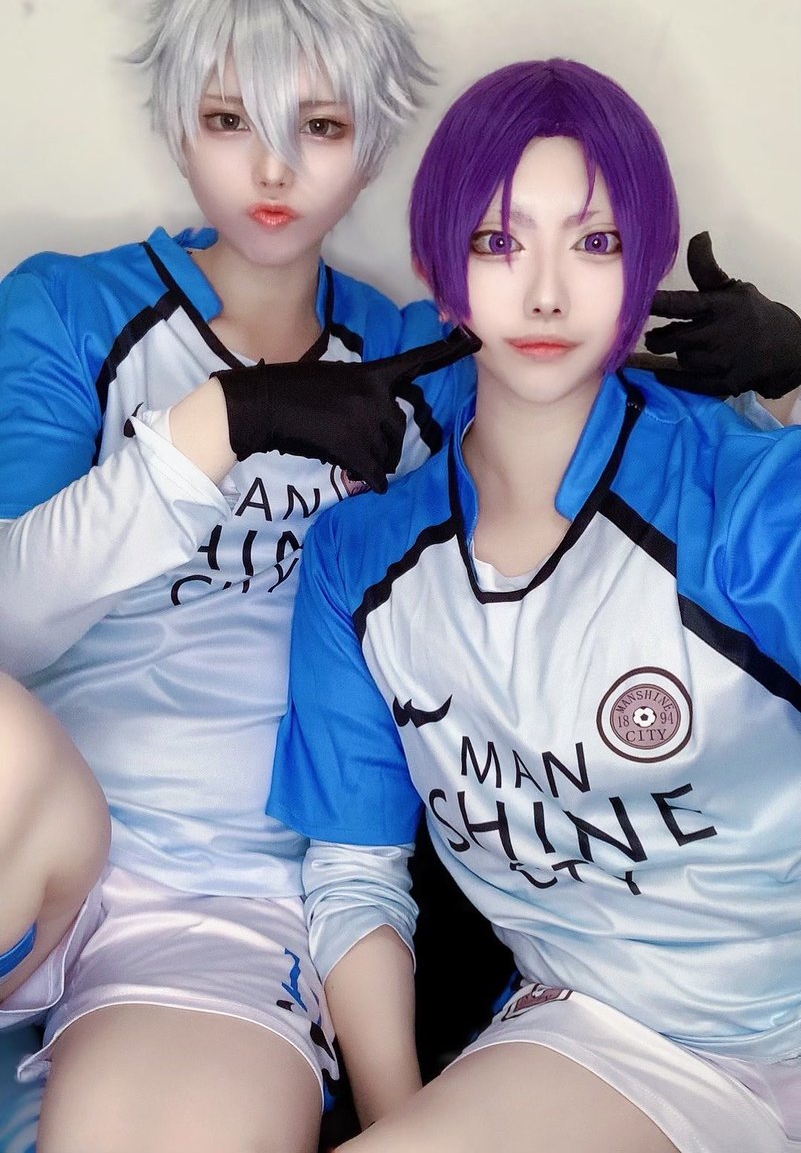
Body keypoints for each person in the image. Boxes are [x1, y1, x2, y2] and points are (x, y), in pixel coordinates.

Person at [0, 0, 797, 1147]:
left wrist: (785, 370)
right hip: (49, 828)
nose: (273, 169)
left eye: (318, 126)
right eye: (228, 120)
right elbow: (7, 623)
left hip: (225, 913)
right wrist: (221, 426)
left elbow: (574, 371)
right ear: (176, 125)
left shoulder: (423, 358)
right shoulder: (69, 314)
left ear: (372, 147)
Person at [268, 58, 801, 1152]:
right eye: (498, 242)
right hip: (608, 1049)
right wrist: (406, 1121)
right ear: (438, 268)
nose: (547, 292)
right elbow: (355, 873)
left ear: (646, 262)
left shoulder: (743, 495)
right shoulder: (356, 564)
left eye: (595, 242)